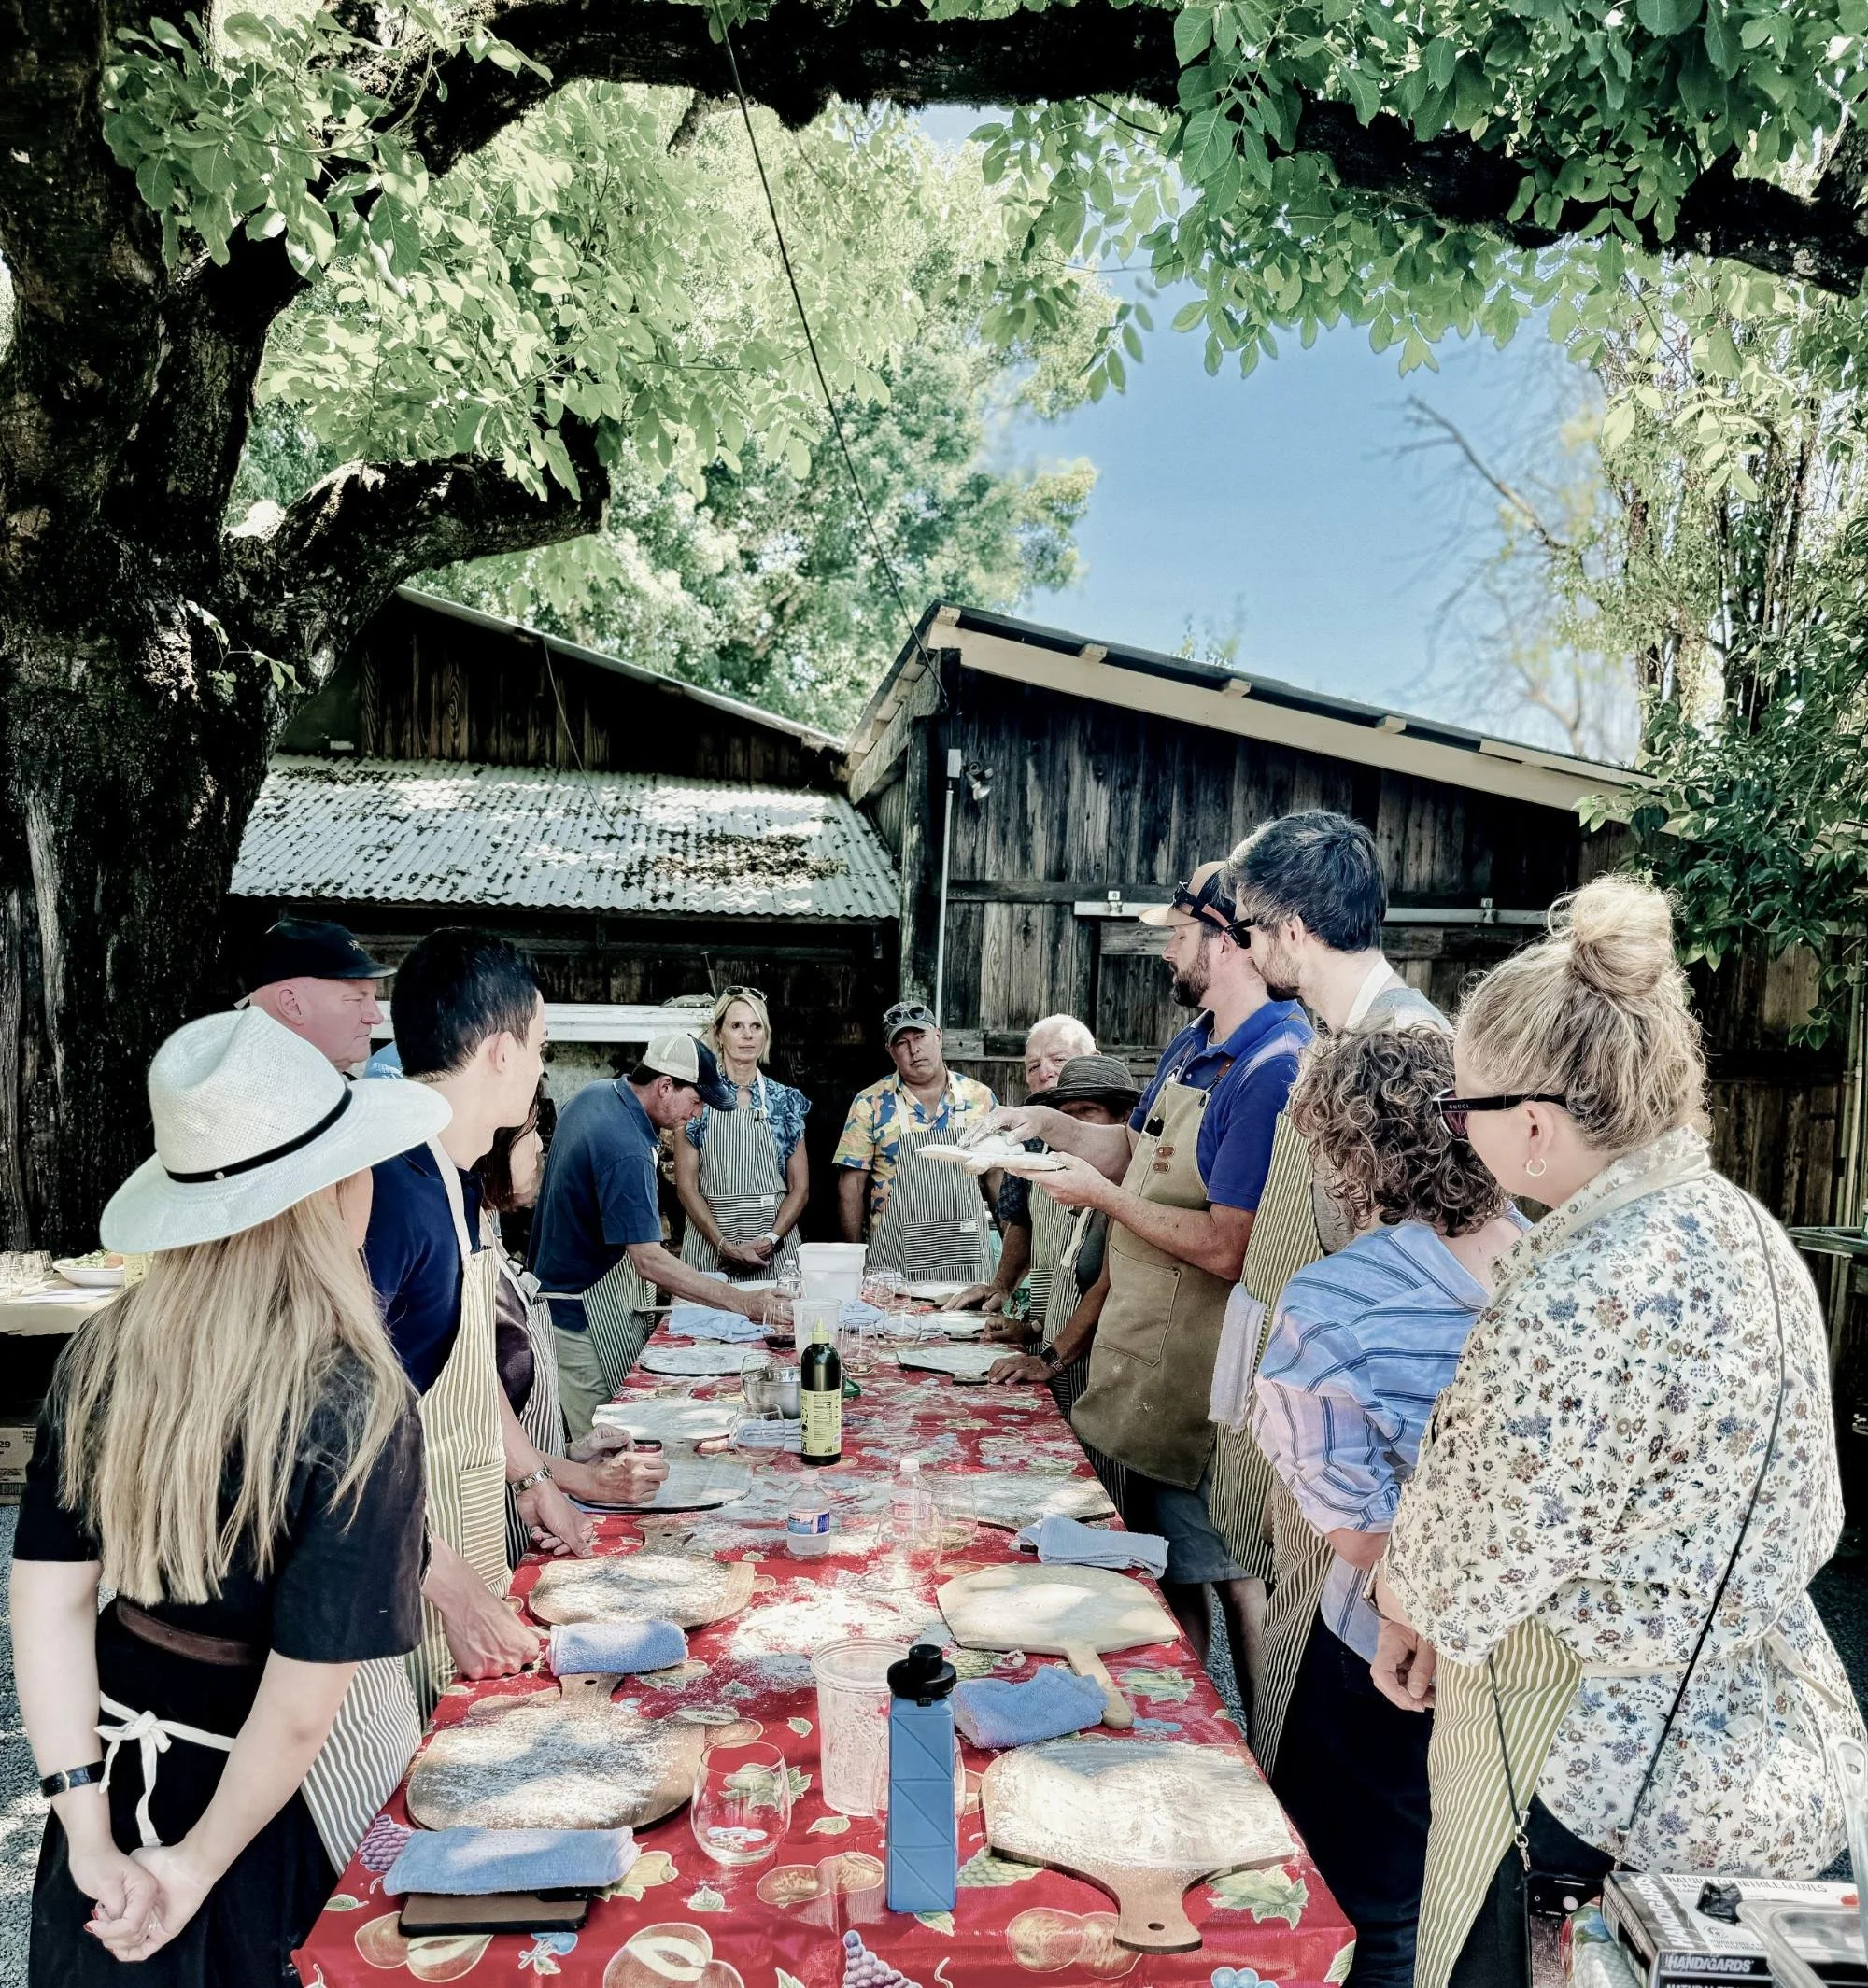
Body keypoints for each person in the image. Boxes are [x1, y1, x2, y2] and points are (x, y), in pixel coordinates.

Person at [1370, 877, 1863, 1988]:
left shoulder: (1575, 1288)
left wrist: (1405, 1605)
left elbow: (1462, 1575)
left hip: (1595, 1771)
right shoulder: (1748, 1230)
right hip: (1774, 1746)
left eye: (1465, 1110)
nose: (1460, 1132)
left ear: (1532, 1124)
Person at [12, 1008, 443, 1981]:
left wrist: (85, 1831)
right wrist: (193, 1865)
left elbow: (48, 1605)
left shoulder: (100, 1354)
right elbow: (298, 1708)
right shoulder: (358, 1402)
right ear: (331, 1191)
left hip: (111, 1769)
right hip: (262, 1819)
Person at [972, 862, 1311, 1677]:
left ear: (1228, 941)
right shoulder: (1195, 1042)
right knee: (1161, 1575)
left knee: (1235, 1583)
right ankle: (1169, 1714)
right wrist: (1047, 1122)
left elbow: (1230, 1246)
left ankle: (1262, 1764)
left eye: (1179, 932)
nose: (1164, 947)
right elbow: (1131, 1151)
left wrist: (1104, 1198)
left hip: (1201, 1390)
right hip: (1139, 1370)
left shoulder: (1273, 1066)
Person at [1249, 1027, 1523, 1988]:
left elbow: (1360, 1530)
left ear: (1345, 1154)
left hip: (1381, 1639)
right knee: (1486, 1914)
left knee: (1360, 1905)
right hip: (1527, 1656)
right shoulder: (1548, 1266)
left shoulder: (1329, 1299)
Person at [361, 928, 594, 1728]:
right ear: (500, 1051)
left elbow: (467, 1370)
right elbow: (323, 1439)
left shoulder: (457, 1179)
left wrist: (532, 1479)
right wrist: (444, 1580)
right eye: (540, 1046)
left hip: (458, 1526)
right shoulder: (387, 1189)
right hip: (394, 1565)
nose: (539, 1067)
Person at [530, 1033, 776, 1439]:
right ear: (665, 1086)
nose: (696, 1115)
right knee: (608, 1443)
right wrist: (743, 1302)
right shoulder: (625, 1146)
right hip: (577, 1315)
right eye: (696, 1102)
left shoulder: (598, 1094)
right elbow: (648, 1260)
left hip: (560, 1296)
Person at [479, 1087, 671, 1567]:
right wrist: (589, 1482)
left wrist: (571, 1452)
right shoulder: (458, 1251)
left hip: (541, 1509)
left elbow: (513, 1411)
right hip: (495, 1530)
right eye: (531, 1136)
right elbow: (475, 1420)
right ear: (495, 1147)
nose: (543, 1148)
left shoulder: (487, 1228)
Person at [983, 1053, 1141, 1503]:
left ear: (1121, 1121)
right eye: (1064, 1119)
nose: (1072, 1133)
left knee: (1100, 1502)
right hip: (1065, 1372)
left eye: (1086, 1115)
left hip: (1104, 1383)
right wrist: (1028, 1328)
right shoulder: (1071, 1186)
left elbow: (1105, 1286)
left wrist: (1051, 1358)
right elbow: (1064, 1275)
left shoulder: (1129, 1194)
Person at [834, 999, 999, 1283]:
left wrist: (1010, 1260)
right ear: (890, 1051)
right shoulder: (870, 1103)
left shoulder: (980, 1098)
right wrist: (855, 1262)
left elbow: (999, 1179)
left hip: (965, 1252)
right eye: (902, 1042)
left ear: (938, 1036)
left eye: (920, 1036)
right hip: (893, 1256)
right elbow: (851, 1187)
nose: (914, 1050)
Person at [947, 1015, 1096, 1317]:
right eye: (1033, 1066)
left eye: (1058, 1059)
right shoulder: (1026, 1144)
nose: (1045, 1073)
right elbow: (1020, 1221)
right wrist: (1001, 1285)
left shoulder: (1125, 1132)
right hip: (1046, 1322)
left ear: (1093, 1061)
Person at [673, 986, 811, 1283]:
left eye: (756, 1026)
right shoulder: (696, 1098)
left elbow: (800, 1187)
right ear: (718, 1033)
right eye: (736, 1026)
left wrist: (771, 1239)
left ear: (765, 1035)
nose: (748, 1035)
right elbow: (686, 1186)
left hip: (774, 1254)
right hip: (710, 1251)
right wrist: (723, 1245)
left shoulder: (784, 1100)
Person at [242, 917, 387, 1074]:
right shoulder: (240, 1094)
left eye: (374, 998)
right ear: (292, 1004)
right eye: (355, 999)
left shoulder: (345, 1090)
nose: (376, 1017)